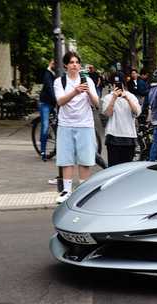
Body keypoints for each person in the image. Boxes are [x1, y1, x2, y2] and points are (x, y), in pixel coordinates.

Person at [53, 51, 99, 203]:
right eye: (71, 62)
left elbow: (96, 104)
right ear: (65, 65)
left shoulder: (88, 81)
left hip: (85, 124)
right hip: (66, 124)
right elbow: (60, 101)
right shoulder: (60, 82)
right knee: (66, 158)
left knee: (85, 158)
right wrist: (74, 92)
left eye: (77, 62)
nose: (75, 65)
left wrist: (88, 93)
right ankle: (67, 190)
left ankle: (82, 190)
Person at [102, 71, 141, 166]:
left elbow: (137, 112)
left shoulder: (131, 96)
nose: (117, 86)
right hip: (113, 135)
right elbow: (107, 113)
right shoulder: (108, 97)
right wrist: (114, 98)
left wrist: (127, 99)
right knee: (113, 166)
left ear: (123, 84)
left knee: (126, 167)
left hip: (128, 136)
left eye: (119, 84)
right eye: (115, 84)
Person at [38, 59, 57, 161]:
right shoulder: (48, 74)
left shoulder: (60, 73)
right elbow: (50, 88)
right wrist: (58, 99)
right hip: (45, 102)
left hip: (54, 101)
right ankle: (43, 151)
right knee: (45, 126)